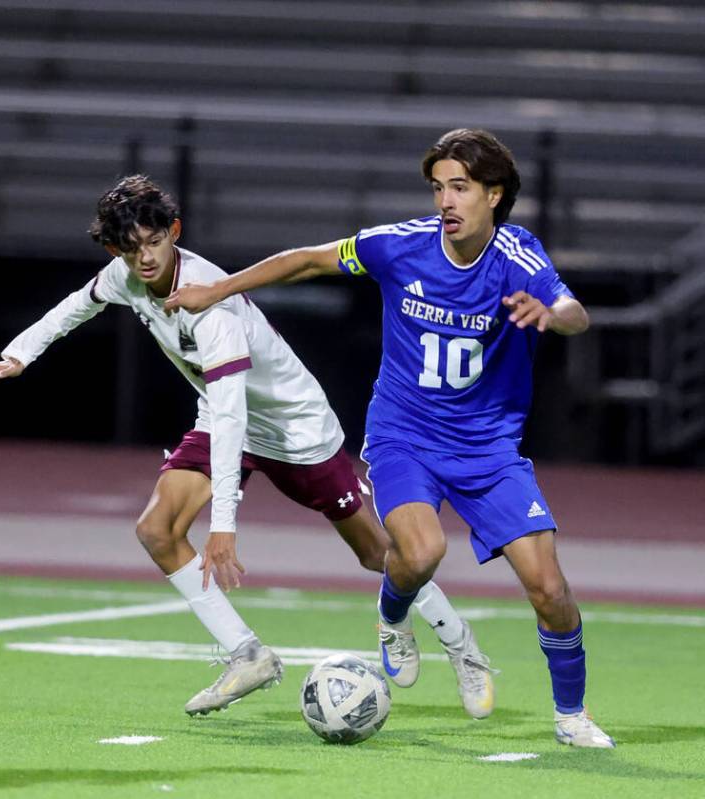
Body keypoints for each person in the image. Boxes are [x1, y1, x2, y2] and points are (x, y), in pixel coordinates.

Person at [0, 174, 492, 719]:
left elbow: (237, 412)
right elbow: (78, 304)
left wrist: (223, 525)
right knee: (157, 529)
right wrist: (19, 355)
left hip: (293, 428)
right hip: (221, 416)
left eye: (153, 243)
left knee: (377, 554)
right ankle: (248, 655)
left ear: (175, 232)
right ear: (112, 248)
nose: (143, 259)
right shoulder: (126, 275)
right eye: (128, 248)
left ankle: (461, 646)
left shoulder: (210, 307)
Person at [166, 129, 614, 748]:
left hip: (489, 447)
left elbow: (575, 312)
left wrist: (551, 315)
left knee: (550, 589)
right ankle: (393, 615)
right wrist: (218, 290)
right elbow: (306, 260)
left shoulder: (520, 257)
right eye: (438, 188)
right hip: (406, 434)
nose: (446, 201)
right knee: (422, 552)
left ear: (494, 194)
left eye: (460, 187)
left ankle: (572, 716)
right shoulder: (399, 246)